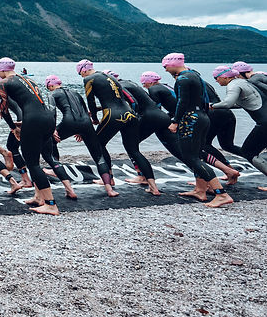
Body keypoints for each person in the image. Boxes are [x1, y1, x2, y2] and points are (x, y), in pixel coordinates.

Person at [161, 53, 233, 207]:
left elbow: (182, 102)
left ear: (173, 63)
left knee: (190, 157)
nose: (165, 70)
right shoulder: (195, 75)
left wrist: (175, 121)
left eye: (165, 66)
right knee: (199, 154)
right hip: (202, 117)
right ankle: (200, 189)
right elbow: (205, 99)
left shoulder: (183, 79)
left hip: (191, 119)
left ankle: (221, 194)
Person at [77, 60, 159, 195]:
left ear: (84, 70)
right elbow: (128, 98)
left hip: (112, 114)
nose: (82, 76)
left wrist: (95, 119)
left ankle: (109, 179)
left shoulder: (89, 79)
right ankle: (153, 187)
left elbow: (90, 100)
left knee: (98, 144)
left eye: (80, 74)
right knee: (134, 150)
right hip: (130, 114)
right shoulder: (109, 77)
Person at [0, 57, 60, 215]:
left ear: (2, 69)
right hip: (48, 119)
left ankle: (51, 205)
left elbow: (3, 109)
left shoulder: (3, 83)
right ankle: (39, 197)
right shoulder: (28, 79)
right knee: (36, 159)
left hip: (33, 121)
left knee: (32, 164)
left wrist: (13, 128)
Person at [45, 75, 118, 197]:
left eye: (48, 87)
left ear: (51, 85)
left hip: (69, 122)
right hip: (86, 124)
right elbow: (84, 109)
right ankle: (110, 189)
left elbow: (52, 112)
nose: (49, 90)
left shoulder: (52, 94)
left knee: (50, 140)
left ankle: (55, 167)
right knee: (98, 156)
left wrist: (52, 129)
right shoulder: (75, 92)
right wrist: (81, 130)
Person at [209, 66, 267, 176]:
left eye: (216, 78)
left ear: (224, 77)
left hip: (264, 123)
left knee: (248, 152)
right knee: (252, 151)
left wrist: (211, 105)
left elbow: (228, 103)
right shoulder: (242, 82)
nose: (216, 81)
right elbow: (241, 104)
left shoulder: (233, 85)